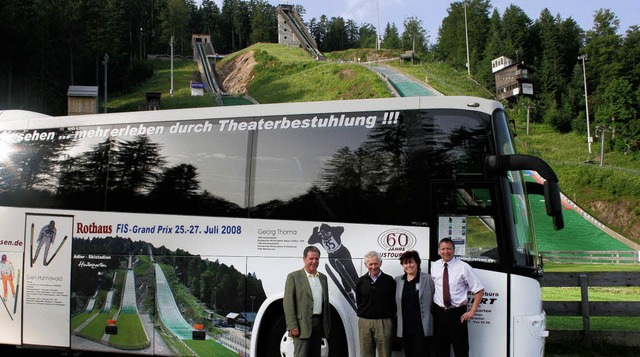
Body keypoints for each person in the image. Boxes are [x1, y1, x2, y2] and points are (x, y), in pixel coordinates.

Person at [431, 238, 484, 357]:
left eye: (449, 248)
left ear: (454, 250)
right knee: (440, 350)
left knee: (461, 350)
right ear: (439, 251)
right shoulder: (434, 266)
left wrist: (472, 311)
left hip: (457, 315)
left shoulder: (463, 267)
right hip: (439, 314)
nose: (446, 251)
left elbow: (479, 290)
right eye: (443, 249)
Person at [283, 245, 331, 357]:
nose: (314, 261)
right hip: (301, 326)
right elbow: (288, 303)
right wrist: (292, 326)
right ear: (304, 259)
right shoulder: (293, 277)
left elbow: (325, 304)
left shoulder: (323, 278)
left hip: (318, 325)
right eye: (311, 258)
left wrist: (326, 326)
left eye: (317, 259)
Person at [355, 251, 396, 357]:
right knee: (366, 354)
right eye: (370, 264)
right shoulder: (360, 281)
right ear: (366, 265)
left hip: (384, 323)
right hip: (365, 322)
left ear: (380, 263)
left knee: (385, 354)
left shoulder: (389, 280)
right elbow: (359, 301)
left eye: (376, 263)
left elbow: (393, 301)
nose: (373, 267)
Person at [395, 250, 434, 357]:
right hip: (405, 327)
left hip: (422, 327)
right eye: (405, 263)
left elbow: (434, 299)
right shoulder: (398, 280)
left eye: (411, 262)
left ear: (417, 262)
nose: (408, 265)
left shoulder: (427, 279)